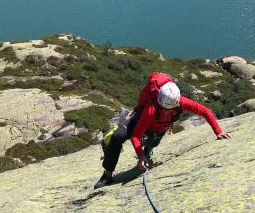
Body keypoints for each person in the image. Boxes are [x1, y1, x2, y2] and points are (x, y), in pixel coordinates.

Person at [94, 77, 232, 189]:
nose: (166, 111)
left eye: (169, 109)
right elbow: (135, 135)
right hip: (140, 121)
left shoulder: (181, 102)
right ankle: (107, 175)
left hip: (158, 131)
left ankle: (148, 149)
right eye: (164, 108)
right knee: (116, 137)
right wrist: (140, 155)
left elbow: (205, 111)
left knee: (151, 144)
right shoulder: (151, 110)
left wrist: (218, 132)